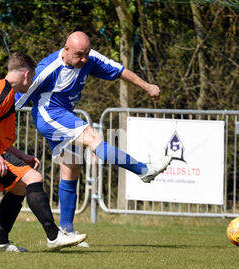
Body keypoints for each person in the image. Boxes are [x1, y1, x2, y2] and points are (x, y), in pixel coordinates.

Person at [15, 32, 172, 246]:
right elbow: (16, 97)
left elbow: (119, 71)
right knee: (93, 137)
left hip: (62, 114)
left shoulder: (89, 58)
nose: (84, 60)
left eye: (86, 54)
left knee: (72, 167)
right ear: (66, 49)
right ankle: (144, 170)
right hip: (49, 114)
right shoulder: (47, 70)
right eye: (79, 55)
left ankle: (66, 231)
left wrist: (147, 86)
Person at [0, 51, 87, 252]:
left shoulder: (5, 92)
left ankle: (0, 241)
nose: (31, 83)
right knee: (34, 178)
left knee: (19, 188)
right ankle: (54, 236)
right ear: (26, 75)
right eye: (33, 76)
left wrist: (21, 156)